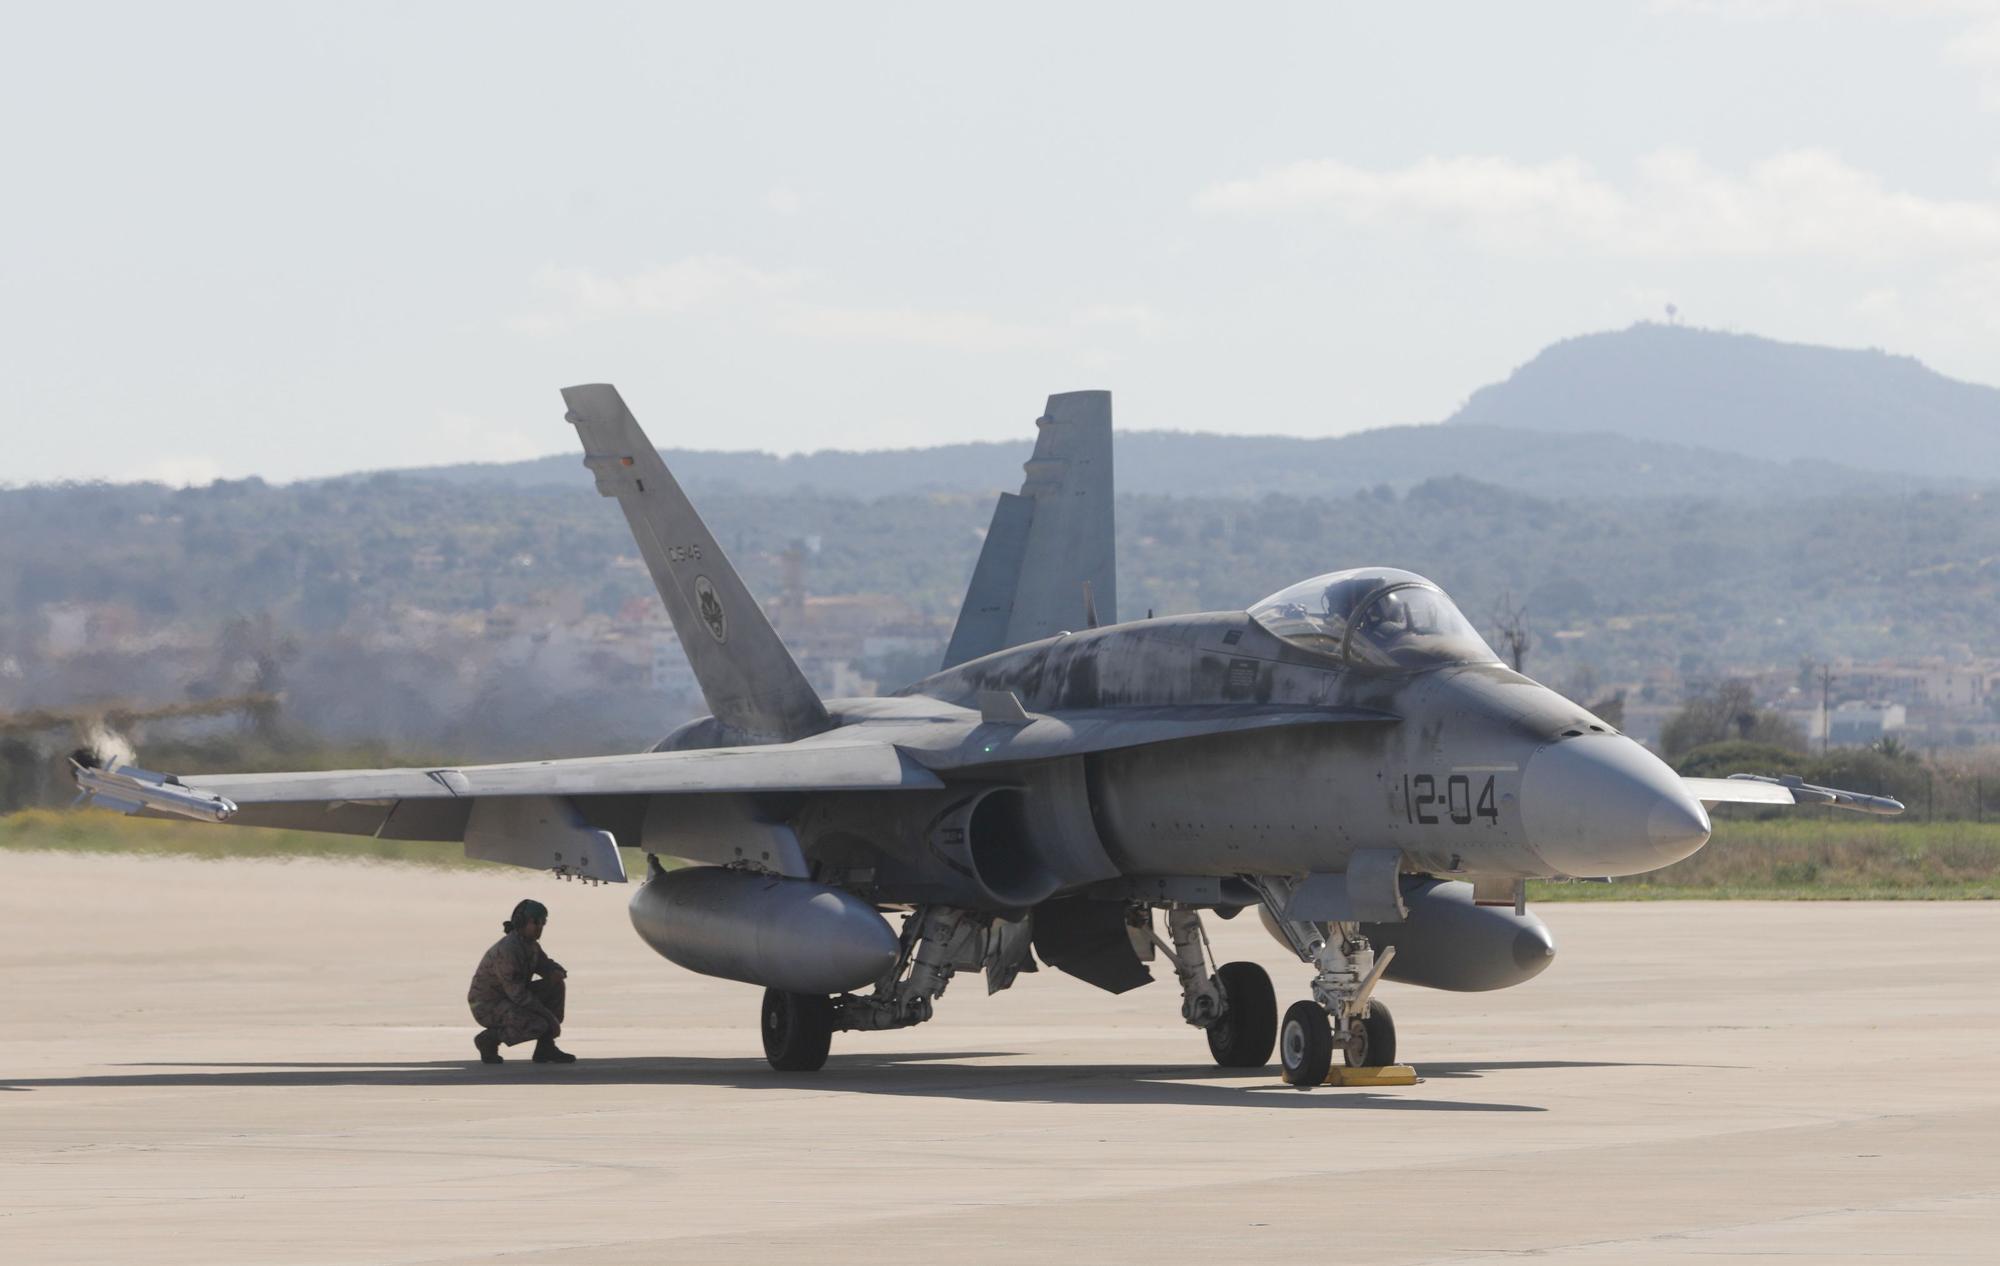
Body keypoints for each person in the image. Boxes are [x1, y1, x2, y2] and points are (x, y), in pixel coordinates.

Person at [467, 899, 576, 1065]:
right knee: (539, 1024)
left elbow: (544, 964)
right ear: (522, 922)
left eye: (542, 923)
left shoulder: (529, 945)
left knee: (555, 985)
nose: (540, 927)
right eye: (536, 922)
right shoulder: (508, 950)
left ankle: (545, 1048)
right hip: (488, 1004)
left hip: (509, 997)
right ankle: (489, 1039)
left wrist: (556, 972)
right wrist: (549, 1017)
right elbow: (518, 995)